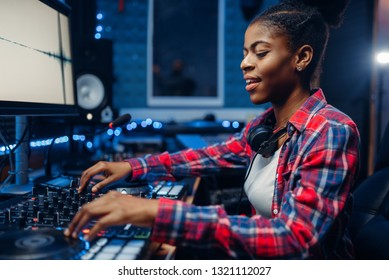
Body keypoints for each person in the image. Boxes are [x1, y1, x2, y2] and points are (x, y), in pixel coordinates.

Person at [65, 0, 360, 259]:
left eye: (260, 52)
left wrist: (154, 211)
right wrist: (132, 166)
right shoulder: (264, 126)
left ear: (301, 57)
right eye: (245, 53)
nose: (245, 63)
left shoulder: (331, 131)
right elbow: (206, 157)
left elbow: (294, 239)